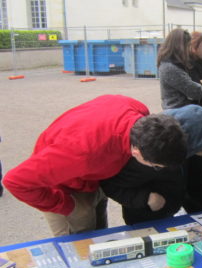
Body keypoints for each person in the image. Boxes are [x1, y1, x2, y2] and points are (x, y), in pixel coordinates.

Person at [3, 95, 187, 236]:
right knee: (80, 251)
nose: (157, 170)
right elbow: (15, 182)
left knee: (100, 237)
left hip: (91, 180)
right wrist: (66, 205)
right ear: (136, 153)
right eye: (155, 166)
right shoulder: (81, 152)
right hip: (65, 189)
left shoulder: (136, 110)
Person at [101, 105, 202, 225]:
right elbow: (111, 185)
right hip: (144, 218)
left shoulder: (194, 149)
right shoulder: (148, 154)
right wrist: (145, 198)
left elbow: (195, 183)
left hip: (171, 212)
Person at [158, 28, 202, 109]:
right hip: (178, 114)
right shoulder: (170, 68)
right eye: (188, 46)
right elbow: (196, 91)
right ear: (180, 47)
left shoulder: (173, 64)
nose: (189, 50)